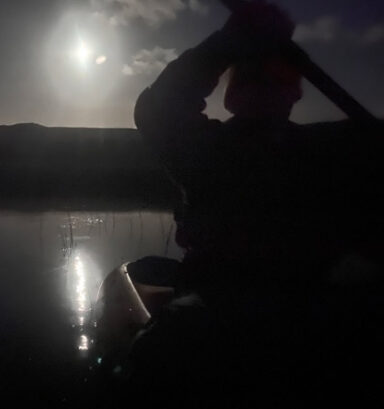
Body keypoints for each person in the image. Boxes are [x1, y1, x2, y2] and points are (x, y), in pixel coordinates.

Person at [120, 2, 384, 408]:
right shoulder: (209, 151)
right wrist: (227, 42)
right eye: (252, 75)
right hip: (217, 310)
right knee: (166, 346)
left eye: (277, 76)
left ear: (293, 91)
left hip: (310, 313)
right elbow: (158, 109)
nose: (265, 86)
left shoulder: (332, 150)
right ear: (233, 94)